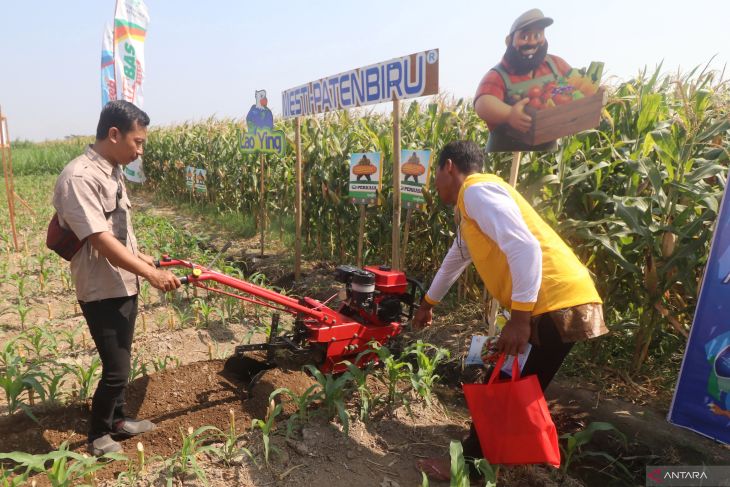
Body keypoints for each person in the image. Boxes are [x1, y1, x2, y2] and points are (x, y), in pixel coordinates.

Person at [413, 140, 608, 480]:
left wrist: (519, 321)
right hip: (553, 303)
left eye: (436, 175)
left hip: (552, 305)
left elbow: (525, 247)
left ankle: (471, 469)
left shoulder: (476, 190)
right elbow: (452, 263)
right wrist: (427, 304)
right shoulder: (472, 209)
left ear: (448, 167)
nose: (435, 184)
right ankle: (495, 458)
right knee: (506, 382)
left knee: (504, 389)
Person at [52, 100, 181, 455]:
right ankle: (98, 437)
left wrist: (142, 259)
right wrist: (152, 273)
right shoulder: (79, 177)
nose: (140, 150)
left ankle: (120, 420)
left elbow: (118, 231)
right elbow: (101, 241)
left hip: (123, 281)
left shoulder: (111, 169)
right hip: (102, 286)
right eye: (137, 142)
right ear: (113, 134)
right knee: (116, 367)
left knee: (122, 355)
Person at [474, 8, 571, 152]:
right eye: (524, 37)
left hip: (547, 155)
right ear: (509, 41)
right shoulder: (498, 75)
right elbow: (483, 103)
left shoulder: (556, 65)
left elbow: (575, 86)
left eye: (537, 35)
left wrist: (593, 93)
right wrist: (509, 114)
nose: (532, 42)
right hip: (506, 155)